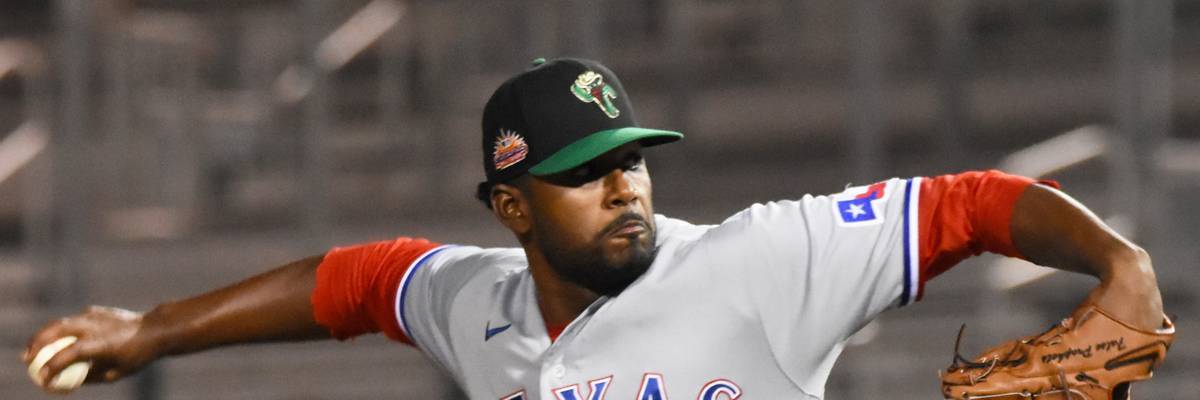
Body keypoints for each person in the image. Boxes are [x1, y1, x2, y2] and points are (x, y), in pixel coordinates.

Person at [25, 58, 1169, 399]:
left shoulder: (760, 262)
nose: (624, 187)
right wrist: (154, 328)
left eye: (630, 162)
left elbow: (966, 205)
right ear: (514, 207)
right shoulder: (482, 302)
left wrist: (1119, 263)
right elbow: (359, 281)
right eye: (585, 174)